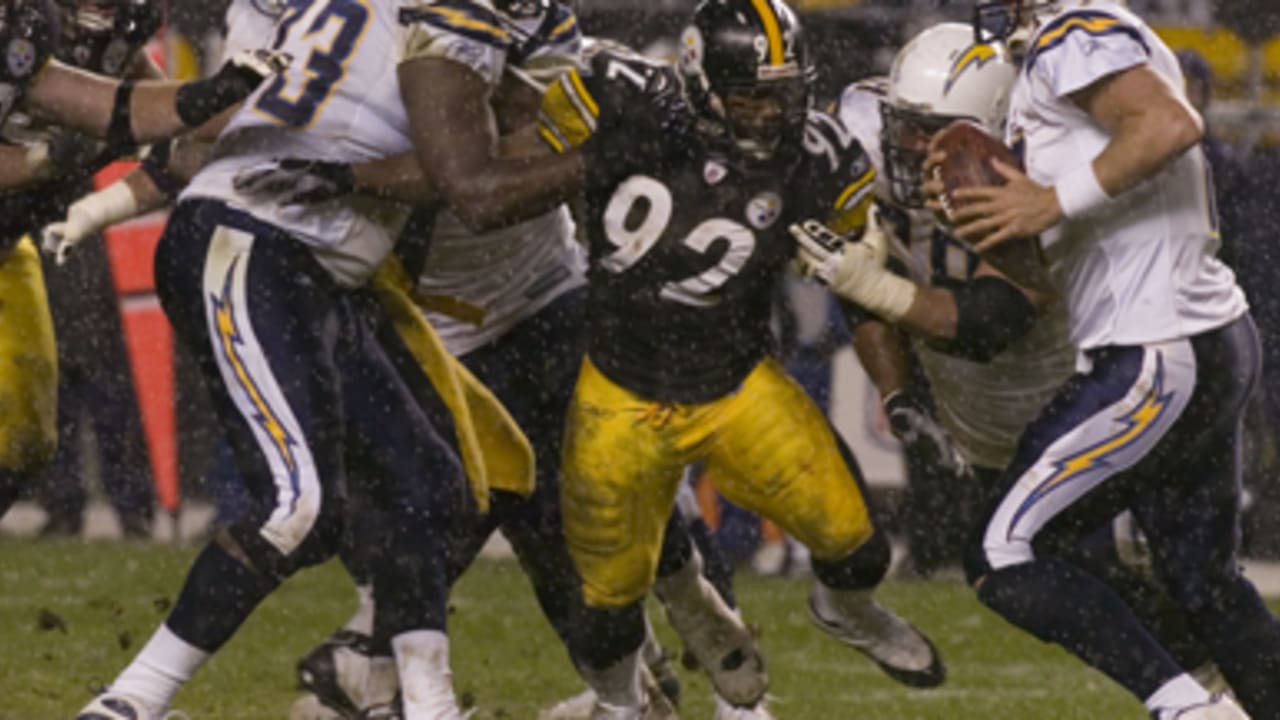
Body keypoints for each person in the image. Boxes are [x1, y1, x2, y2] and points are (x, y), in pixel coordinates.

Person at [531, 1, 944, 716]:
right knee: (603, 617)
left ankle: (845, 609)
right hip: (618, 395)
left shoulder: (817, 157)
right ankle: (622, 702)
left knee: (860, 550)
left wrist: (898, 393)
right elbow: (511, 134)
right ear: (697, 81)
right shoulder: (620, 98)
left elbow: (858, 287)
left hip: (736, 387)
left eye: (782, 96)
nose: (768, 117)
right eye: (751, 97)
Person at [801, 18, 1217, 683]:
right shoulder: (860, 136)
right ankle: (1204, 680)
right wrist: (898, 392)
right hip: (978, 408)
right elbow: (854, 284)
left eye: (934, 133)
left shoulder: (1045, 159)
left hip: (1074, 381)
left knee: (1151, 569)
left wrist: (876, 284)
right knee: (1067, 569)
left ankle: (1201, 683)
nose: (911, 146)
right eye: (905, 124)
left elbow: (996, 321)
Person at [934, 1, 1278, 717]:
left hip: (1157, 348)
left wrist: (1051, 200)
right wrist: (1000, 224)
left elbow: (1169, 126)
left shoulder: (1074, 31)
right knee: (1203, 585)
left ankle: (1190, 709)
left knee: (1005, 553)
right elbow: (1058, 271)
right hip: (1199, 338)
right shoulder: (1064, 56)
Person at [0, 0, 284, 523]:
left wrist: (220, 105)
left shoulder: (120, 19)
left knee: (24, 440)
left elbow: (119, 106)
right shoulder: (23, 19)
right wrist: (54, 156)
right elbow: (96, 116)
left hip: (7, 241)